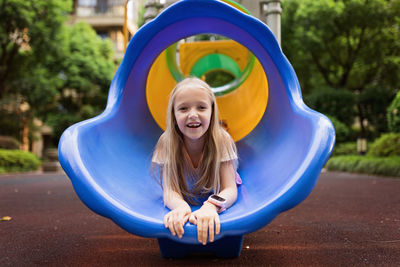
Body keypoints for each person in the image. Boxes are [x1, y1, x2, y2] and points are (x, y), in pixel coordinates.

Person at [151, 77, 241, 245]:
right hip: (190, 184)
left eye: (201, 107)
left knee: (234, 174)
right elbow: (169, 191)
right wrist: (181, 207)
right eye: (183, 108)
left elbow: (229, 189)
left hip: (220, 173)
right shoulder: (167, 143)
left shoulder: (221, 140)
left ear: (212, 112)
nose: (193, 114)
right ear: (174, 114)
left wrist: (211, 206)